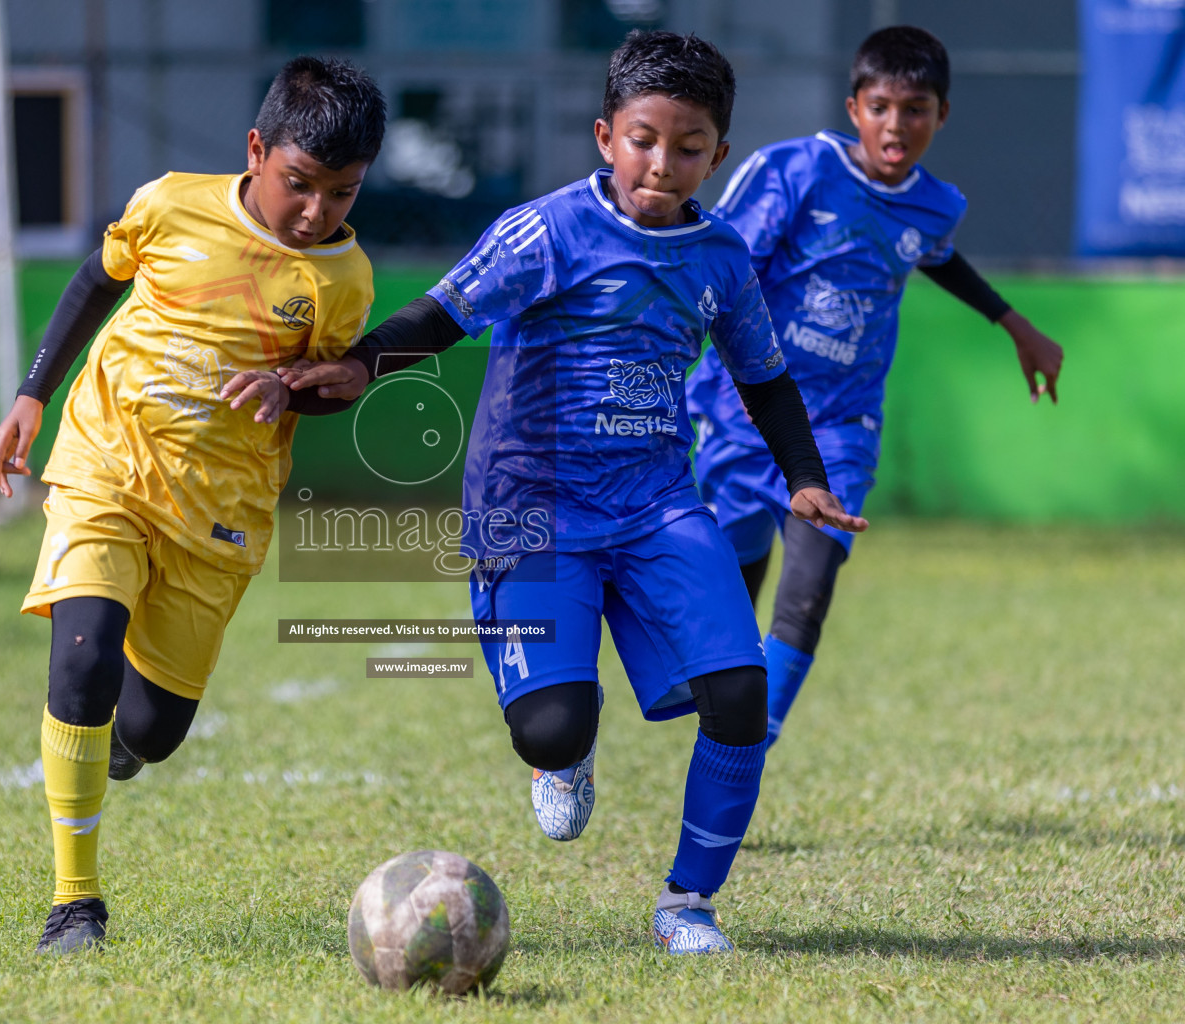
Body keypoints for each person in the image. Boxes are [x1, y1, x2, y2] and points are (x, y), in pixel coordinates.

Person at [282, 31, 865, 955]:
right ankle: (571, 748)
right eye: (642, 139)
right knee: (550, 731)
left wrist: (804, 479)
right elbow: (442, 313)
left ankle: (688, 905)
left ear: (717, 154)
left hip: (657, 503)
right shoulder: (545, 231)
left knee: (741, 692)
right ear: (605, 136)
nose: (660, 163)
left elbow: (765, 378)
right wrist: (360, 366)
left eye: (686, 145)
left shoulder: (719, 257)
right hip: (531, 510)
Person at [0, 57, 385, 955]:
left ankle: (124, 741)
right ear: (256, 150)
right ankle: (74, 903)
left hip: (223, 509)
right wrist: (32, 394)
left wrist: (299, 392)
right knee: (82, 660)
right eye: (300, 185)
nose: (317, 211)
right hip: (108, 464)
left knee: (153, 732)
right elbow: (98, 279)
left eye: (342, 193)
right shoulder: (170, 203)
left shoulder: (344, 279)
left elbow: (333, 382)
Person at [685, 26, 1065, 748]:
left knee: (809, 589)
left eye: (917, 108)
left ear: (941, 116)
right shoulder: (796, 172)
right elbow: (722, 268)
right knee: (730, 600)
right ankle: (717, 720)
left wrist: (1016, 325)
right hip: (746, 414)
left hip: (841, 424)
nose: (898, 125)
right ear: (855, 106)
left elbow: (935, 257)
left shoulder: (934, 205)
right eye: (883, 106)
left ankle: (745, 752)